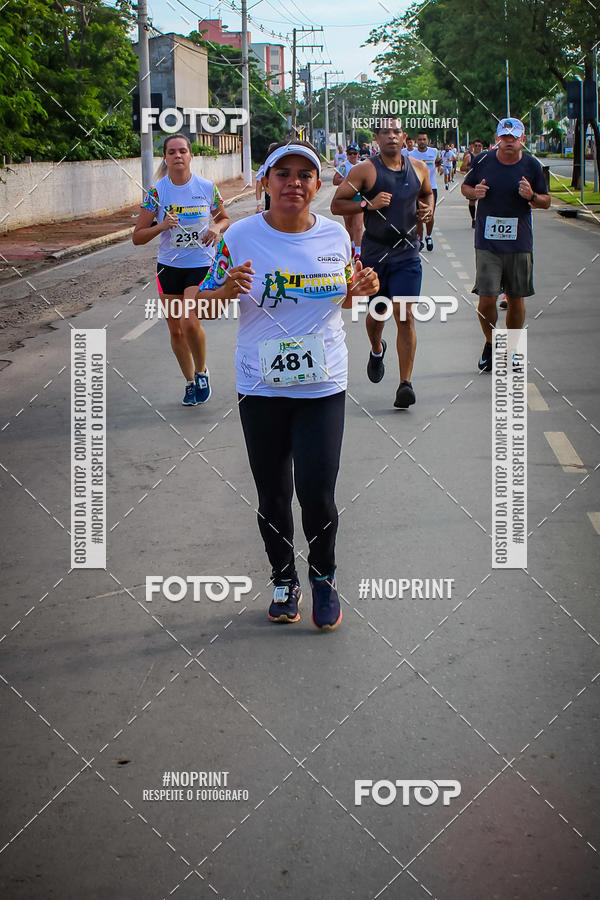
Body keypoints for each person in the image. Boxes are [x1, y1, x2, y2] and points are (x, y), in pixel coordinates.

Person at [196, 140, 379, 630]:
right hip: (262, 386)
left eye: (304, 175)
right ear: (265, 182)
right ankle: (284, 578)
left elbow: (342, 301)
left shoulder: (336, 238)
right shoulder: (239, 236)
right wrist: (221, 289)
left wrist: (357, 291)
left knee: (317, 492)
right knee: (273, 494)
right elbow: (201, 304)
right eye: (283, 173)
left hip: (323, 384)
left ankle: (323, 577)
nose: (293, 183)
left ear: (318, 185)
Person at [331, 117, 434, 409]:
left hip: (407, 255)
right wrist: (367, 204)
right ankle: (377, 349)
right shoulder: (365, 170)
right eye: (385, 132)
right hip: (376, 255)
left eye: (396, 131)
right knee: (378, 313)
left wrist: (427, 210)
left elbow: (426, 194)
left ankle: (405, 384)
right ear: (376, 138)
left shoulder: (419, 168)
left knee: (405, 316)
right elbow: (337, 204)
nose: (391, 136)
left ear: (404, 137)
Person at [132, 133, 229, 405]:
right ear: (165, 157)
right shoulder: (157, 192)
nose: (177, 155)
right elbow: (137, 236)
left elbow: (224, 218)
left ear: (190, 156)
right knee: (175, 331)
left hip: (199, 265)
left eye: (182, 151)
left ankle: (201, 372)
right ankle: (189, 381)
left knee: (189, 320)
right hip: (168, 268)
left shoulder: (207, 187)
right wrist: (161, 226)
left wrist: (215, 227)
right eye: (172, 151)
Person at [461, 117, 550, 371]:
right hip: (487, 242)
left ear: (522, 140)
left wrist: (531, 196)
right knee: (487, 299)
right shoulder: (482, 161)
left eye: (514, 137)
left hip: (519, 242)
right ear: (498, 138)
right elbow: (465, 187)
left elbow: (546, 201)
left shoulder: (532, 165)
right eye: (504, 137)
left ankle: (512, 348)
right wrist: (474, 192)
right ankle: (491, 342)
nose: (508, 141)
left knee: (515, 297)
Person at [408, 131, 439, 250]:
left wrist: (440, 166)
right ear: (416, 141)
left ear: (428, 141)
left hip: (432, 188)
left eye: (424, 139)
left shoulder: (434, 152)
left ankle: (429, 236)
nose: (422, 142)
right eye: (420, 140)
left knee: (430, 214)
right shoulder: (411, 154)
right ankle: (419, 239)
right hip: (417, 188)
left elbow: (438, 161)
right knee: (419, 215)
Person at [332, 145, 363, 261]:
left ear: (358, 154)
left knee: (358, 226)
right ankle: (352, 248)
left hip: (359, 197)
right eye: (350, 154)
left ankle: (358, 253)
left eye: (355, 153)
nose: (352, 156)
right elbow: (335, 181)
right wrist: (347, 180)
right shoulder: (344, 166)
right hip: (346, 198)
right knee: (349, 225)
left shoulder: (363, 166)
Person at [460, 139, 484, 228]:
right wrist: (470, 167)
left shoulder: (484, 156)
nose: (478, 147)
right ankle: (473, 219)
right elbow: (462, 168)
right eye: (476, 145)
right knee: (472, 201)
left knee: (483, 200)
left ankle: (480, 219)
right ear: (473, 146)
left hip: (482, 180)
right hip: (472, 180)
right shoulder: (469, 156)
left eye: (479, 146)